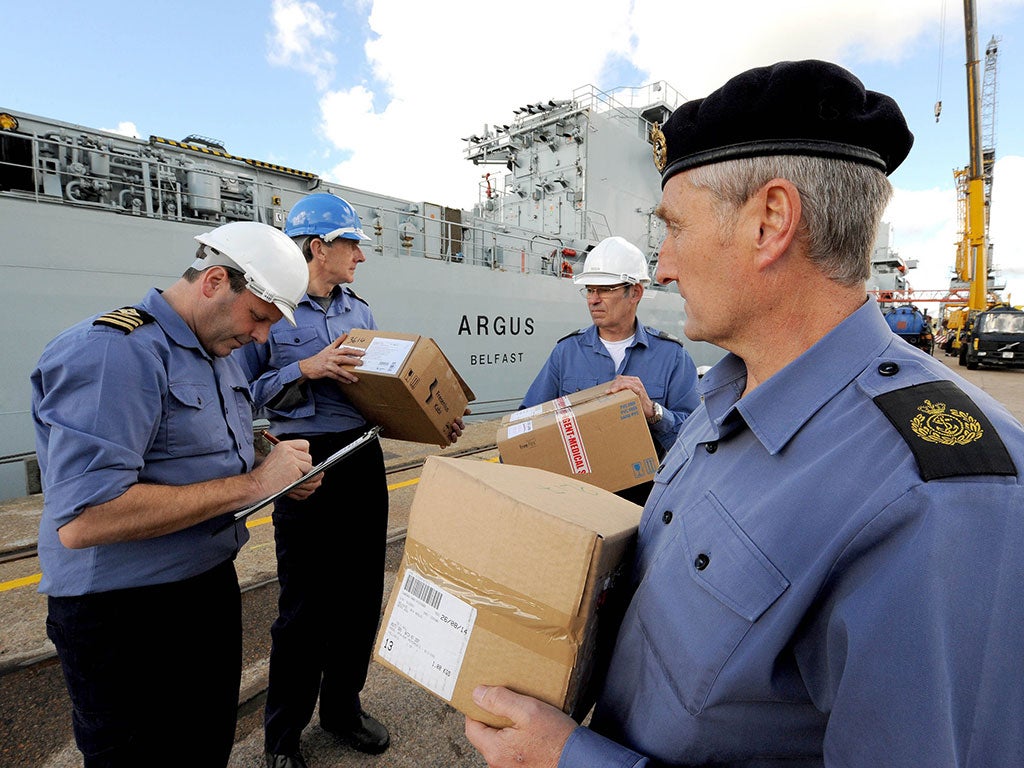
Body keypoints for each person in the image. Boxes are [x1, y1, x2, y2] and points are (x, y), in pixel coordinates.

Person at [465, 59, 1024, 767]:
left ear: (770, 222)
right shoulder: (721, 400)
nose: (661, 266)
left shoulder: (944, 498)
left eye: (673, 227)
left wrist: (569, 759)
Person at [32, 221, 320, 768]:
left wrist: (272, 466)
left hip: (203, 590)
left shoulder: (217, 352)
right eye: (259, 317)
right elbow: (85, 518)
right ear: (214, 281)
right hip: (124, 619)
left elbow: (198, 452)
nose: (262, 338)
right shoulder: (114, 353)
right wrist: (256, 485)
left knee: (203, 748)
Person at [239, 192, 458, 768]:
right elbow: (240, 388)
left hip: (361, 456)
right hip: (303, 460)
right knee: (304, 606)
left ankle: (341, 709)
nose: (360, 254)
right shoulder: (273, 309)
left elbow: (387, 384)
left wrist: (430, 415)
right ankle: (281, 738)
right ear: (319, 247)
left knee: (360, 596)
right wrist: (305, 368)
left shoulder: (359, 312)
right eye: (351, 243)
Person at [520, 236, 700, 500]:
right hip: (578, 501)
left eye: (604, 289)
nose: (593, 300)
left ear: (635, 292)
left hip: (644, 506)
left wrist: (653, 412)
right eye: (590, 290)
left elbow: (696, 439)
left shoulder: (672, 357)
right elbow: (527, 422)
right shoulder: (566, 353)